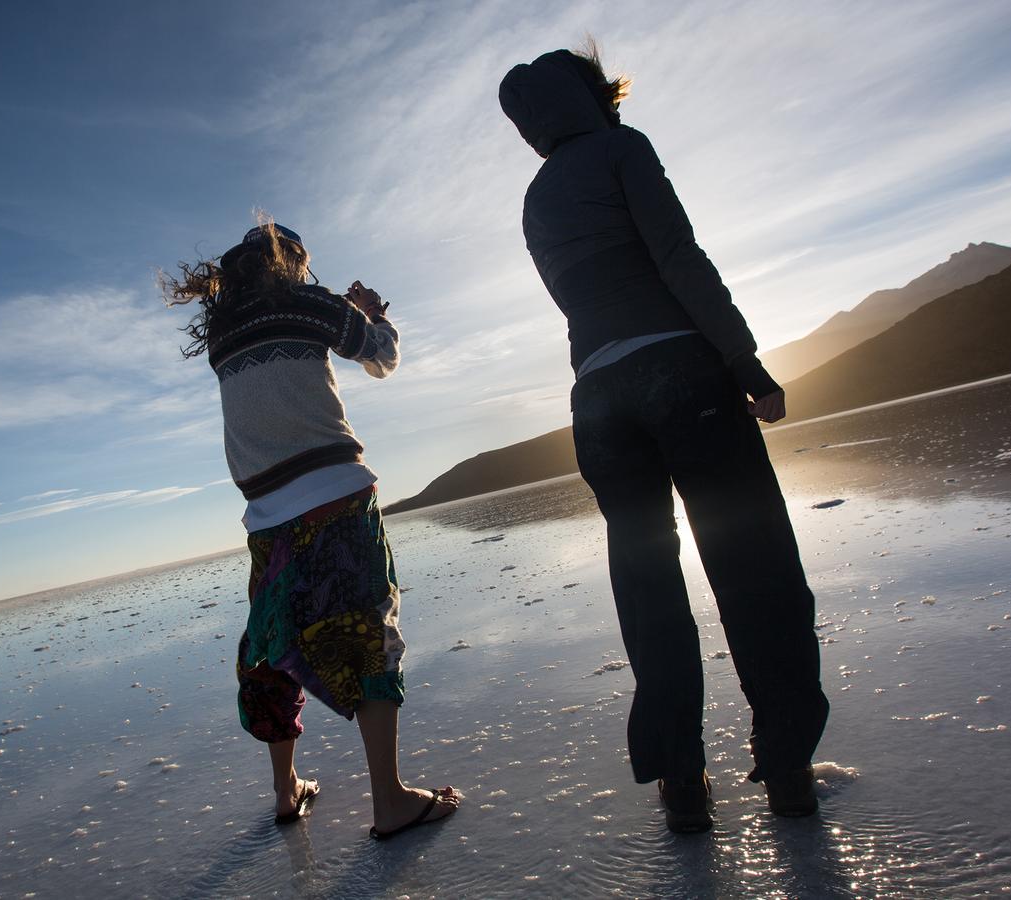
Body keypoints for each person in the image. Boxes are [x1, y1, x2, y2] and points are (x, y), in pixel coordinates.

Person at [498, 47, 830, 832]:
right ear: (591, 96)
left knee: (647, 587)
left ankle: (681, 783)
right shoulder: (623, 147)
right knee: (755, 567)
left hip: (600, 402)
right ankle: (787, 770)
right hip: (681, 372)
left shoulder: (535, 197)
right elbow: (676, 256)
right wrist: (745, 362)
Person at [162, 220, 462, 840]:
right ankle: (390, 800)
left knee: (272, 648)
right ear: (291, 260)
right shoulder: (307, 303)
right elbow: (380, 356)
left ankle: (284, 790)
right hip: (337, 497)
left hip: (266, 518)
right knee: (368, 632)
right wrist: (372, 313)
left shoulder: (223, 330)